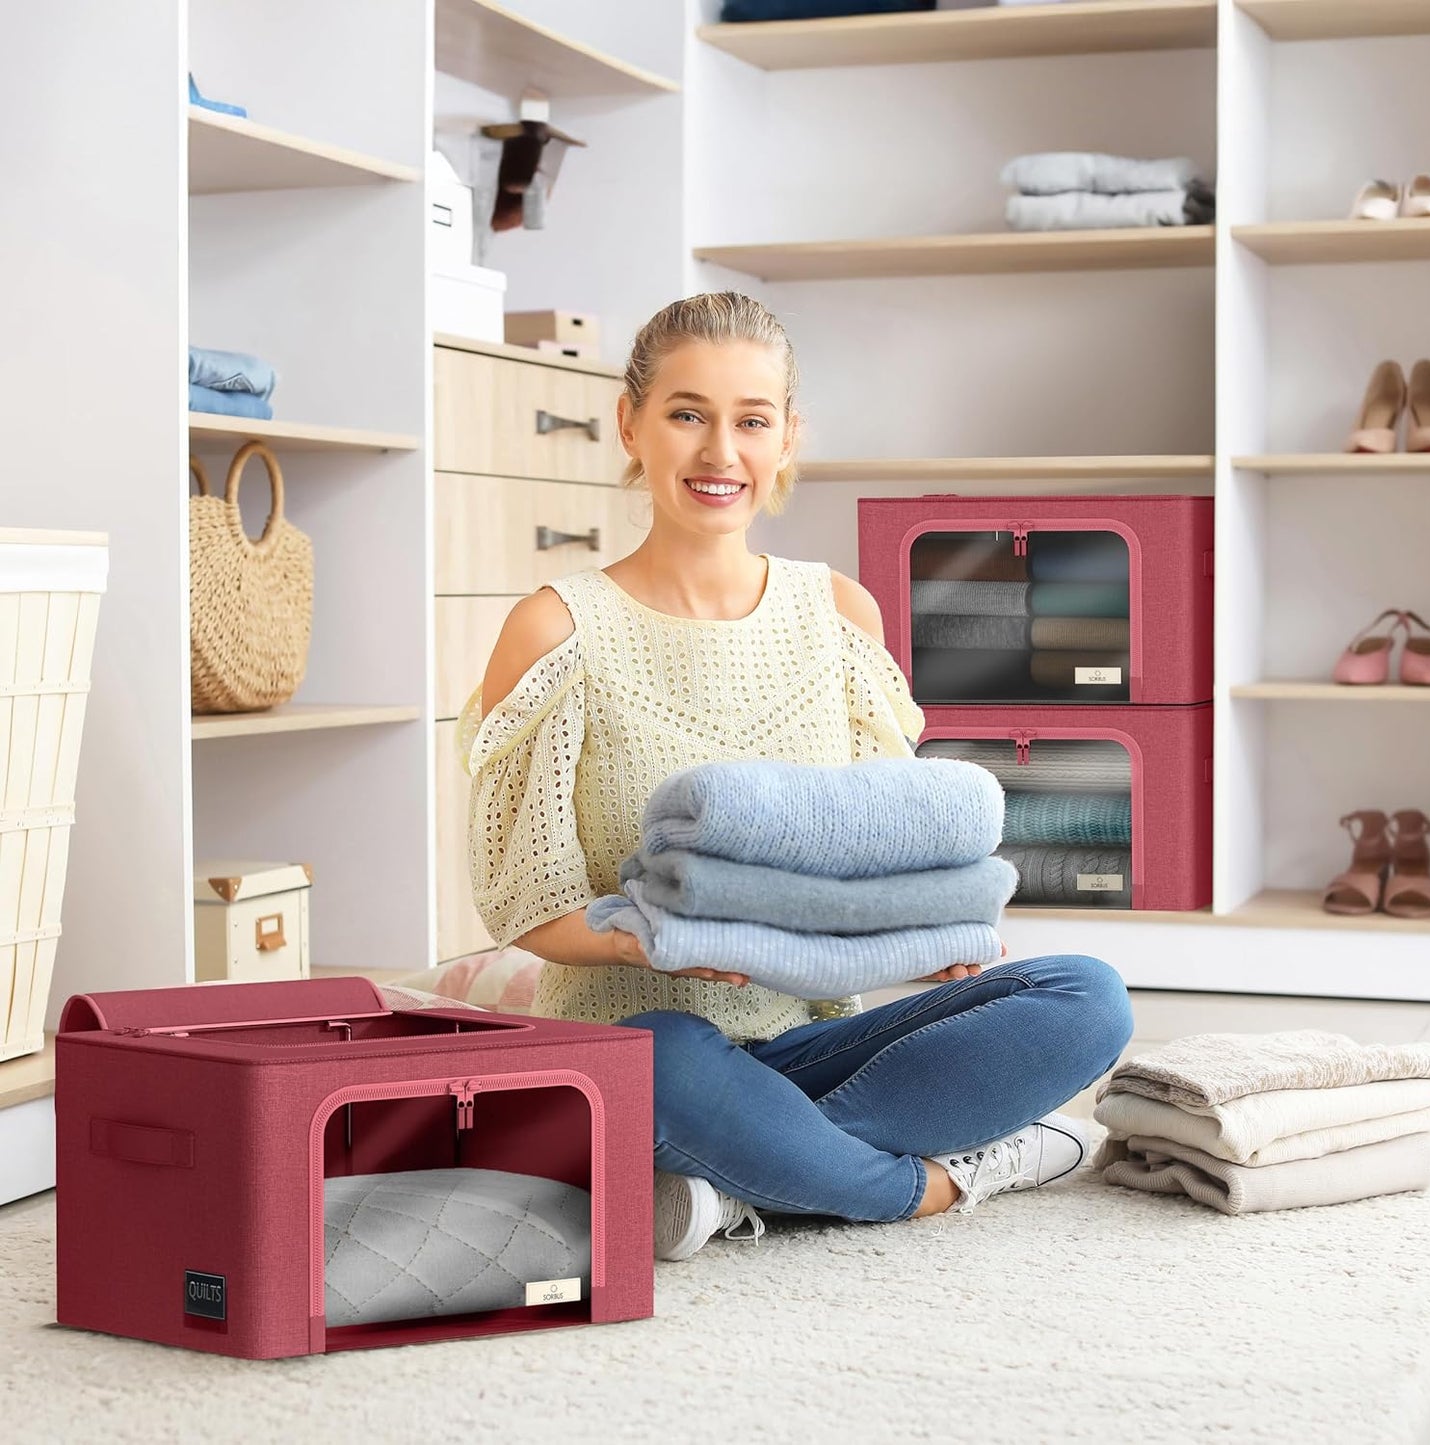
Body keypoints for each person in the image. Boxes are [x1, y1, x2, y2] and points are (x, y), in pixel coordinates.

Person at [458, 291, 1134, 1261]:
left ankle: (741, 1180)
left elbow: (890, 857)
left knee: (1086, 995)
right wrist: (655, 945)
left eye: (750, 420)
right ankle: (929, 1181)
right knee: (663, 1057)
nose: (719, 451)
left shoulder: (838, 617)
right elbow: (523, 902)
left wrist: (921, 934)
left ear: (786, 437)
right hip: (648, 1048)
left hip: (812, 1046)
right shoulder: (556, 628)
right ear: (630, 424)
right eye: (686, 414)